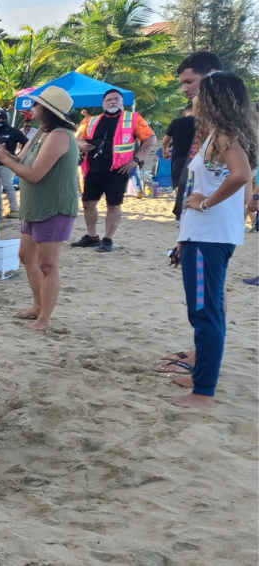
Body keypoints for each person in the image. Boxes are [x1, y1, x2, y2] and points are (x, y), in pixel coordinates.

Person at [166, 72, 257, 408]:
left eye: (199, 91)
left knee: (206, 314)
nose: (194, 96)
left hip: (209, 238)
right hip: (205, 236)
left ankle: (203, 391)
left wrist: (205, 203)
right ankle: (200, 375)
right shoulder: (218, 135)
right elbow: (245, 192)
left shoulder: (224, 135)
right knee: (206, 311)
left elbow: (242, 176)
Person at [0, 86, 80, 331]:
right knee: (26, 256)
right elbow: (22, 161)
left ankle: (45, 317)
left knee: (48, 264)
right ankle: (38, 307)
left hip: (53, 206)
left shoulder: (60, 135)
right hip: (36, 206)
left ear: (48, 110)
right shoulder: (42, 132)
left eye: (37, 105)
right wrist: (5, 154)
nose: (32, 108)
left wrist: (5, 160)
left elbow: (35, 174)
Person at [154, 51, 224, 373]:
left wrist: (205, 205)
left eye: (189, 82)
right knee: (208, 298)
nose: (184, 89)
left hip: (210, 229)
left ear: (210, 76)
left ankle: (203, 368)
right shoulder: (207, 120)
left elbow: (237, 173)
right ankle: (200, 354)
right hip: (200, 224)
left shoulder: (224, 124)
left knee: (205, 302)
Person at [73, 89, 157, 252]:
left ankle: (108, 239)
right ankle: (92, 237)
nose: (112, 102)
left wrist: (136, 159)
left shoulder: (133, 118)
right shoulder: (91, 120)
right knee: (88, 203)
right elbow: (76, 137)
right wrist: (80, 143)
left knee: (113, 205)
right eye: (109, 100)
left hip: (118, 170)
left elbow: (150, 138)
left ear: (121, 102)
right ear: (103, 104)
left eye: (116, 99)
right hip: (92, 169)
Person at [0, 109, 28, 219]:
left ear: (4, 119)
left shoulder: (14, 132)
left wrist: (18, 156)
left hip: (6, 164)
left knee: (8, 186)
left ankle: (14, 209)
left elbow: (27, 143)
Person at [163, 102, 195, 220]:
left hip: (179, 158)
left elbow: (165, 141)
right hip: (195, 158)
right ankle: (188, 210)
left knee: (178, 184)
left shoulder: (176, 122)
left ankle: (180, 210)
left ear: (185, 112)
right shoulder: (202, 123)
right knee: (194, 184)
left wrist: (165, 151)